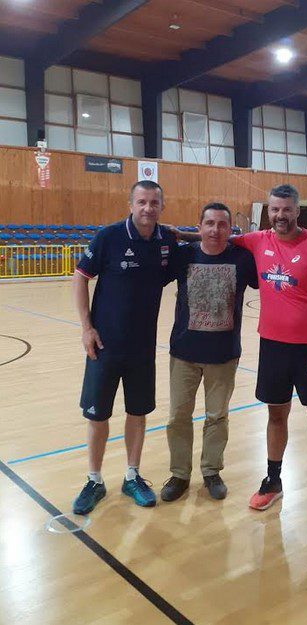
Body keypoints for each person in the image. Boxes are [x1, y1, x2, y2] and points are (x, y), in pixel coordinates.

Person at [233, 184, 307, 519]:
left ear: (297, 211)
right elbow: (217, 237)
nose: (280, 215)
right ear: (269, 211)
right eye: (275, 209)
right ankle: (273, 480)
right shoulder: (257, 240)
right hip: (273, 346)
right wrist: (179, 234)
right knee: (275, 415)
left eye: (286, 209)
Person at [72, 180, 177, 515]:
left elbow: (190, 251)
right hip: (104, 346)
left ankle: (132, 476)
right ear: (130, 204)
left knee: (138, 412)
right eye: (142, 202)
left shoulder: (166, 241)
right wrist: (87, 328)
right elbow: (80, 276)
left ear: (162, 207)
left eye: (154, 203)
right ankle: (94, 480)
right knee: (98, 415)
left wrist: (188, 235)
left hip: (142, 348)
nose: (148, 208)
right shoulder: (109, 237)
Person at [160, 203, 258, 502]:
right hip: (184, 353)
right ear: (199, 226)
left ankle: (211, 471)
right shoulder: (183, 256)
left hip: (224, 355)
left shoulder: (242, 259)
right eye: (210, 223)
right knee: (178, 416)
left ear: (230, 229)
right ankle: (179, 474)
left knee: (217, 417)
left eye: (222, 224)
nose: (215, 230)